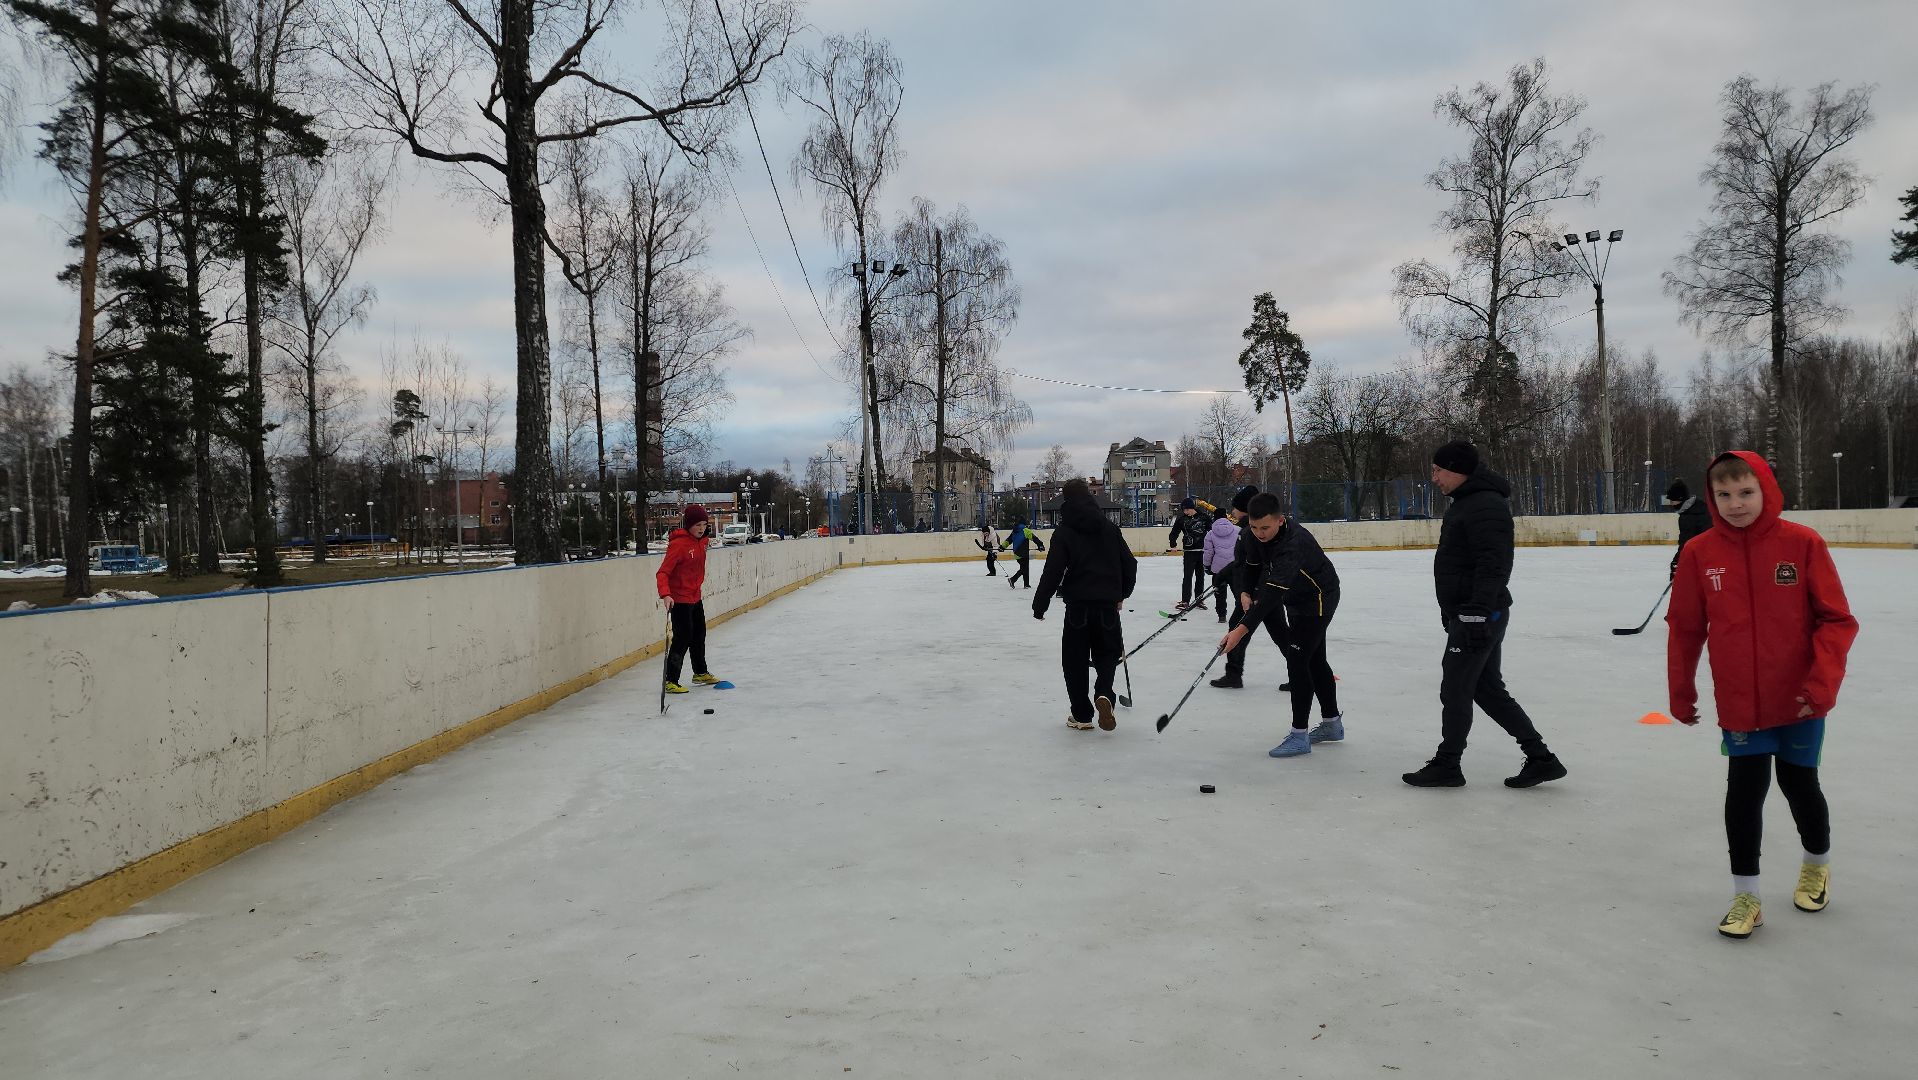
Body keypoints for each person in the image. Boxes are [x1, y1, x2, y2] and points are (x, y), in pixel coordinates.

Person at [1667, 451, 1858, 939]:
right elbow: (1686, 628)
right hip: (1740, 701)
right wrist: (1681, 690)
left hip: (1799, 699)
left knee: (1799, 785)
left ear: (1766, 489)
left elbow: (1837, 620)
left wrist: (1820, 685)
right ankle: (1746, 895)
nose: (1735, 504)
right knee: (1743, 792)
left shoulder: (1802, 543)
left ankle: (1816, 863)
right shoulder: (1699, 552)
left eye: (1745, 492)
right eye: (1724, 495)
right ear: (1711, 498)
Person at [1403, 440, 1566, 789]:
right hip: (1473, 613)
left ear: (1457, 470)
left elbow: (1494, 564)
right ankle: (1541, 758)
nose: (1434, 478)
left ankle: (1448, 763)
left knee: (1456, 688)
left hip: (1479, 615)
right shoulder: (1469, 502)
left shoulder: (1485, 506)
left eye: (1438, 470)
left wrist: (1475, 613)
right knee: (1488, 689)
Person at [1220, 492, 1343, 757]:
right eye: (1254, 527)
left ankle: (1300, 735)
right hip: (1295, 598)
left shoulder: (1294, 542)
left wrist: (1240, 629)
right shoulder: (1253, 535)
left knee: (1298, 660)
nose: (1259, 533)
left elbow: (1271, 595)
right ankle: (1332, 724)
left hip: (1319, 598)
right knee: (1314, 660)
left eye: (1265, 527)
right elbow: (1251, 567)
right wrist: (1245, 591)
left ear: (1279, 520)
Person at [1034, 479, 1138, 731]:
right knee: (1107, 654)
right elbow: (1130, 564)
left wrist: (1041, 604)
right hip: (1107, 606)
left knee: (1074, 661)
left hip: (1078, 607)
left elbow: (1053, 570)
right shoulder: (1110, 529)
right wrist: (1121, 594)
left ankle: (1082, 715)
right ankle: (1104, 693)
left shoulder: (1065, 531)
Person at [657, 504, 721, 694]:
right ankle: (671, 679)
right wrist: (666, 594)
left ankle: (700, 672)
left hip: (695, 596)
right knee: (683, 637)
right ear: (688, 525)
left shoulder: (702, 541)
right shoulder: (679, 545)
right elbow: (662, 573)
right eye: (697, 525)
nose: (701, 528)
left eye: (704, 524)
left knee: (699, 634)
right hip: (679, 599)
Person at [1210, 485, 1265, 690]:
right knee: (1280, 634)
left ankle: (1304, 671)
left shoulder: (1253, 531)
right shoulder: (1245, 530)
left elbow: (1261, 565)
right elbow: (1242, 561)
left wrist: (1255, 592)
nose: (1232, 512)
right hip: (1255, 593)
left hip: (1258, 594)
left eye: (1236, 508)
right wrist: (1224, 573)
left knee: (1237, 628)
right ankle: (1233, 674)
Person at [1165, 497, 1215, 609]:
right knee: (1187, 576)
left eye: (1186, 509)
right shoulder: (1182, 519)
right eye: (1183, 510)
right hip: (1189, 552)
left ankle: (1199, 600)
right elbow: (1173, 533)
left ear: (1191, 508)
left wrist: (1212, 545)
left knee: (1200, 576)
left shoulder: (1204, 518)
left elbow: (1212, 532)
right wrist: (1173, 545)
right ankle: (1185, 601)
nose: (1184, 512)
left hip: (1202, 552)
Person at [1664, 478, 1711, 579]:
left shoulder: (1689, 517)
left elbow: (1686, 544)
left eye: (1673, 500)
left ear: (1680, 499)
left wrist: (1676, 564)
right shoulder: (1700, 507)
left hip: (1705, 560)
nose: (1671, 504)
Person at [1201, 501, 1239, 623]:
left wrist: (1207, 566)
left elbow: (1208, 552)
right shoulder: (1238, 530)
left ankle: (1222, 616)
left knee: (1220, 593)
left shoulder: (1210, 534)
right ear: (1226, 517)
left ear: (1214, 518)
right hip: (1235, 568)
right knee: (1239, 593)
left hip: (1219, 569)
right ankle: (1243, 615)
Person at [1002, 519, 1046, 589]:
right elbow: (1034, 538)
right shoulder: (1025, 530)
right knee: (1024, 568)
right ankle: (1012, 579)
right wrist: (1040, 545)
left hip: (1016, 553)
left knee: (1024, 567)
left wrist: (1002, 547)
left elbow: (1009, 540)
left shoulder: (1014, 531)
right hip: (1024, 553)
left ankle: (1026, 584)